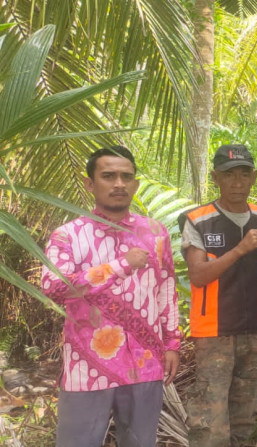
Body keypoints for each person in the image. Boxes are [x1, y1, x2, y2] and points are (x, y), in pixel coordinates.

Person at [41, 146, 181, 447]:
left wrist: (172, 343)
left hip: (145, 365)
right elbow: (54, 287)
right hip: (86, 369)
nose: (119, 183)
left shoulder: (156, 233)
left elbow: (166, 288)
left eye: (126, 177)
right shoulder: (67, 235)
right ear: (90, 183)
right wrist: (120, 266)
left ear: (135, 184)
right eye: (108, 176)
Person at [180, 144, 257, 447]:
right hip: (215, 333)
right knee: (211, 417)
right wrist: (240, 249)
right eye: (229, 175)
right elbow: (198, 276)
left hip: (256, 331)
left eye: (244, 174)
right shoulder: (198, 219)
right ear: (215, 178)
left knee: (247, 413)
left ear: (254, 177)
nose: (237, 182)